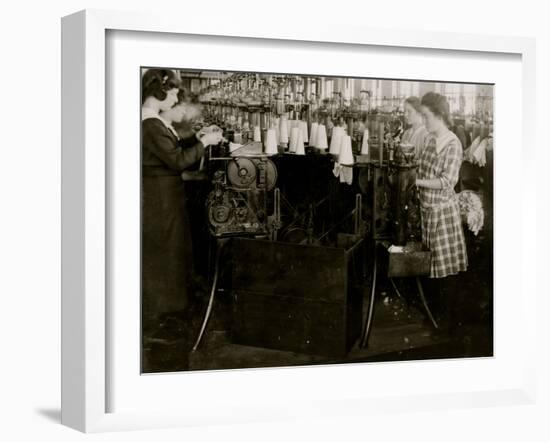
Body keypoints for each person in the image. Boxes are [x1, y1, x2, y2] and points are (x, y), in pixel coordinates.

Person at [141, 69, 222, 341]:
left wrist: (198, 139)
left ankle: (169, 311)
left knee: (170, 250)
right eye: (173, 91)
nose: (176, 97)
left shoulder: (154, 122)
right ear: (160, 91)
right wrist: (204, 142)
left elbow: (173, 151)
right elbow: (177, 161)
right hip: (159, 196)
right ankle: (163, 318)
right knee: (164, 253)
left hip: (165, 193)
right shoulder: (149, 123)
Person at [416, 92, 468, 335]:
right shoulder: (429, 139)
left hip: (443, 215)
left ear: (439, 116)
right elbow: (421, 166)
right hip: (427, 212)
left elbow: (447, 181)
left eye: (426, 117)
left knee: (444, 270)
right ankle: (435, 318)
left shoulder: (453, 144)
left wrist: (416, 182)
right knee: (431, 267)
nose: (424, 121)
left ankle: (446, 325)